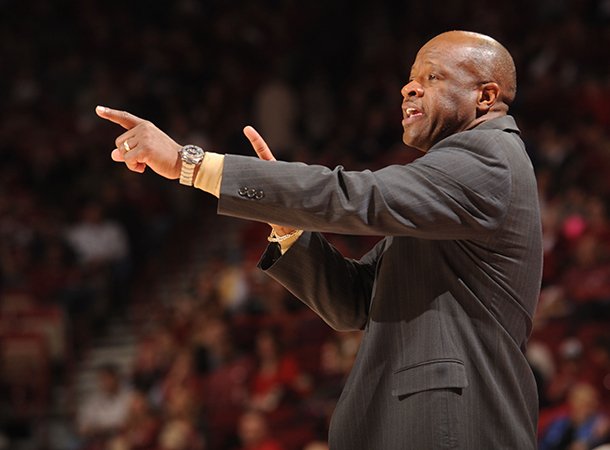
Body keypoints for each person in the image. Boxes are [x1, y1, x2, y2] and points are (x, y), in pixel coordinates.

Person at [96, 30, 542, 449]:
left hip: (450, 424)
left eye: (432, 76)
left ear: (485, 96)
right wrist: (286, 223)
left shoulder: (490, 158)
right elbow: (353, 304)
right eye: (409, 79)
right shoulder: (448, 189)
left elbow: (355, 195)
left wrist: (188, 164)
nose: (408, 89)